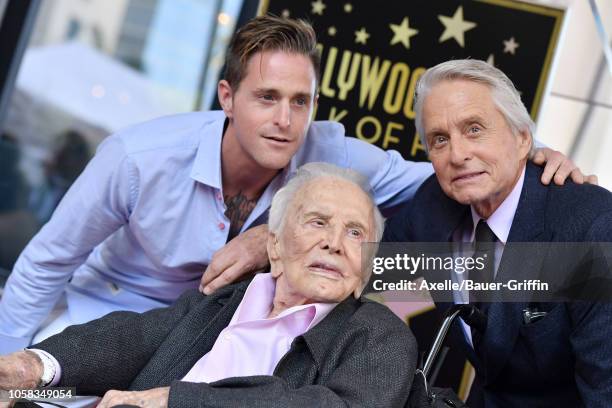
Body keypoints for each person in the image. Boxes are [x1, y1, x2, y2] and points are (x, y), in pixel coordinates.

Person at [0, 15, 586, 354]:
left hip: (219, 338)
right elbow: (44, 265)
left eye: (300, 101)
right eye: (267, 98)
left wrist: (528, 156)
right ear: (227, 98)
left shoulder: (330, 151)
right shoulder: (136, 158)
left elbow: (452, 174)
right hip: (102, 313)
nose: (285, 120)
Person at [0, 163, 417, 408]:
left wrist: (176, 401)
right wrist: (36, 366)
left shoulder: (379, 335)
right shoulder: (227, 300)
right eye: (317, 222)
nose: (334, 242)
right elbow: (136, 337)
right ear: (274, 245)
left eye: (355, 232)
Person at [383, 59, 612, 406]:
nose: (458, 155)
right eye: (440, 139)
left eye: (474, 129)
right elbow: (361, 276)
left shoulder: (591, 227)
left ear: (523, 140)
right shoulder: (430, 206)